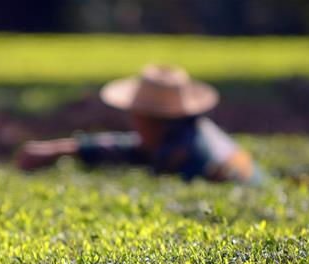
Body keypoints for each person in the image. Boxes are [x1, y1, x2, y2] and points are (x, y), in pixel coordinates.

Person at [15, 64, 265, 185]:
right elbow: (130, 147)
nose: (132, 123)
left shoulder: (186, 153)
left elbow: (136, 154)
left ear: (153, 120)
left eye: (136, 116)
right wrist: (65, 148)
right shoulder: (185, 132)